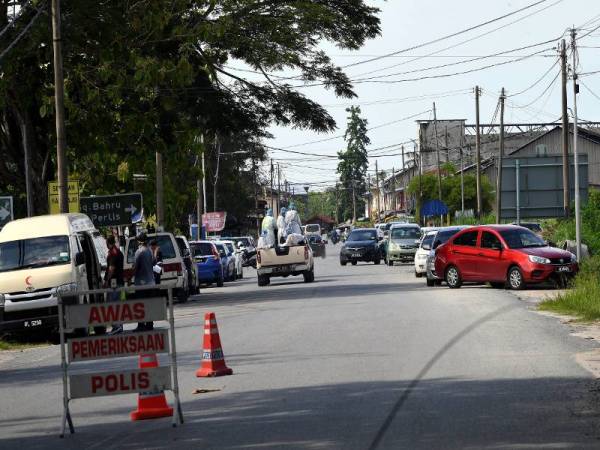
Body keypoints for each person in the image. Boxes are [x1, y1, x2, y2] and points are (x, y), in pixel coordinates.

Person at [133, 232, 155, 331]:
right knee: (149, 304)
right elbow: (153, 262)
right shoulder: (150, 251)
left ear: (139, 241)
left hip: (141, 283)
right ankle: (150, 324)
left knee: (140, 305)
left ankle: (141, 325)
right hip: (151, 282)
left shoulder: (139, 252)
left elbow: (135, 267)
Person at [104, 235, 124, 335]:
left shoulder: (113, 253)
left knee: (113, 304)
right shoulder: (117, 251)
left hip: (114, 283)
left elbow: (111, 268)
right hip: (118, 282)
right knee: (115, 304)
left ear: (108, 243)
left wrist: (107, 280)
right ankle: (117, 326)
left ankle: (117, 326)